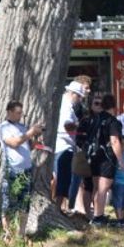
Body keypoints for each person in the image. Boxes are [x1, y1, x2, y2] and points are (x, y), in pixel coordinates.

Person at [0, 100, 42, 242]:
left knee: (25, 202)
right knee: (9, 202)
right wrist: (30, 132)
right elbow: (14, 143)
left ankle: (21, 233)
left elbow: (30, 146)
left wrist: (36, 136)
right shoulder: (3, 127)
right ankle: (7, 234)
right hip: (12, 169)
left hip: (26, 169)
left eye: (21, 113)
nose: (20, 115)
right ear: (9, 112)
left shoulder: (23, 127)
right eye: (17, 113)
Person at [77, 94, 123, 222]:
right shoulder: (112, 121)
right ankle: (98, 216)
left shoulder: (90, 120)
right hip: (106, 157)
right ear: (113, 106)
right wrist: (121, 160)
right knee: (102, 188)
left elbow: (79, 138)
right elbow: (114, 141)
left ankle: (91, 215)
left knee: (94, 187)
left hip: (91, 156)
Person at [53, 81, 84, 211]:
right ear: (72, 94)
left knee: (64, 179)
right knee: (63, 179)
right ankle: (59, 207)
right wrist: (79, 125)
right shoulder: (66, 107)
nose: (80, 100)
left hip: (64, 145)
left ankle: (61, 207)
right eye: (79, 96)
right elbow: (67, 126)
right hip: (63, 146)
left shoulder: (66, 105)